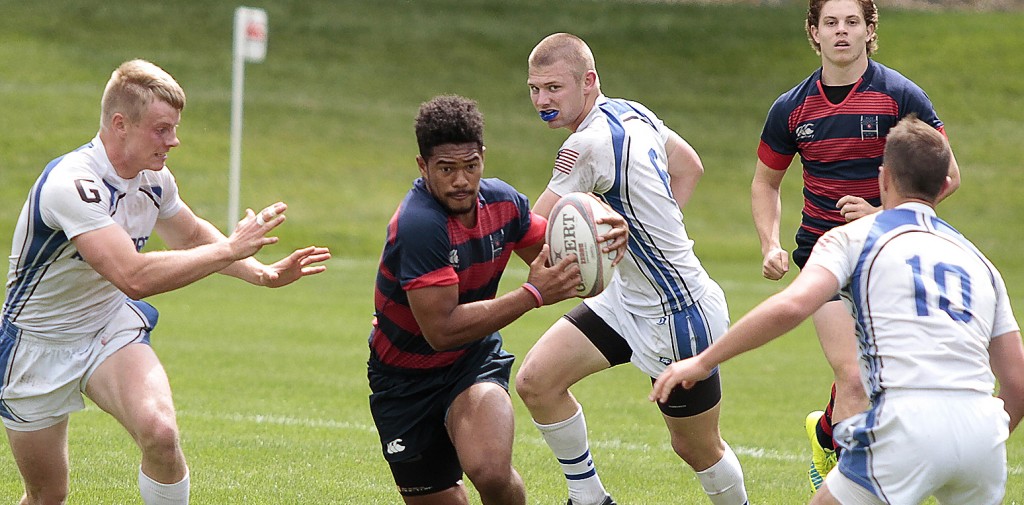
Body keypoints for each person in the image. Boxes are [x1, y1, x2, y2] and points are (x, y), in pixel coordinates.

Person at [1, 59, 331, 505]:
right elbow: (133, 277)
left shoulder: (155, 179)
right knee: (47, 496)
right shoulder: (72, 184)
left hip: (106, 327)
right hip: (36, 345)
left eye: (174, 128)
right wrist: (232, 248)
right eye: (162, 129)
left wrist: (262, 274)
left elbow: (190, 234)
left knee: (161, 432)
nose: (173, 140)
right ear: (121, 124)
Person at [653, 115, 1024, 504]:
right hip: (983, 434)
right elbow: (1016, 384)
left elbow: (793, 305)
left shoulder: (855, 238)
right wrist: (978, 437)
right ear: (946, 184)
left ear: (884, 179)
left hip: (906, 422)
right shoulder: (980, 262)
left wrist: (702, 361)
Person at [515, 33, 749, 505]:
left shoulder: (584, 147)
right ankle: (590, 499)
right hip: (626, 299)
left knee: (696, 447)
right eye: (534, 88)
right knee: (537, 381)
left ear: (588, 81)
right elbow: (690, 167)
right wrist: (640, 237)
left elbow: (533, 235)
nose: (542, 100)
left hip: (678, 314)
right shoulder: (632, 111)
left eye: (554, 88)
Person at [367, 94, 625, 505]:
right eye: (446, 169)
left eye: (471, 166)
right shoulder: (419, 225)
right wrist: (532, 294)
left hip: (471, 364)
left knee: (489, 468)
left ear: (483, 157)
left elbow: (559, 254)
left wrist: (607, 238)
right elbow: (441, 330)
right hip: (403, 382)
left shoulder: (503, 203)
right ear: (423, 166)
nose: (461, 181)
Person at [750, 0, 962, 490]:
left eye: (852, 22)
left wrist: (885, 216)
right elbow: (765, 183)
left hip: (887, 255)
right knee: (854, 377)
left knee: (891, 377)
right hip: (822, 255)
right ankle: (845, 488)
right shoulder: (791, 107)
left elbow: (948, 176)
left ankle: (825, 431)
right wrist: (769, 244)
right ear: (814, 33)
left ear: (870, 31)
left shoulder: (900, 96)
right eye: (831, 23)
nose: (841, 32)